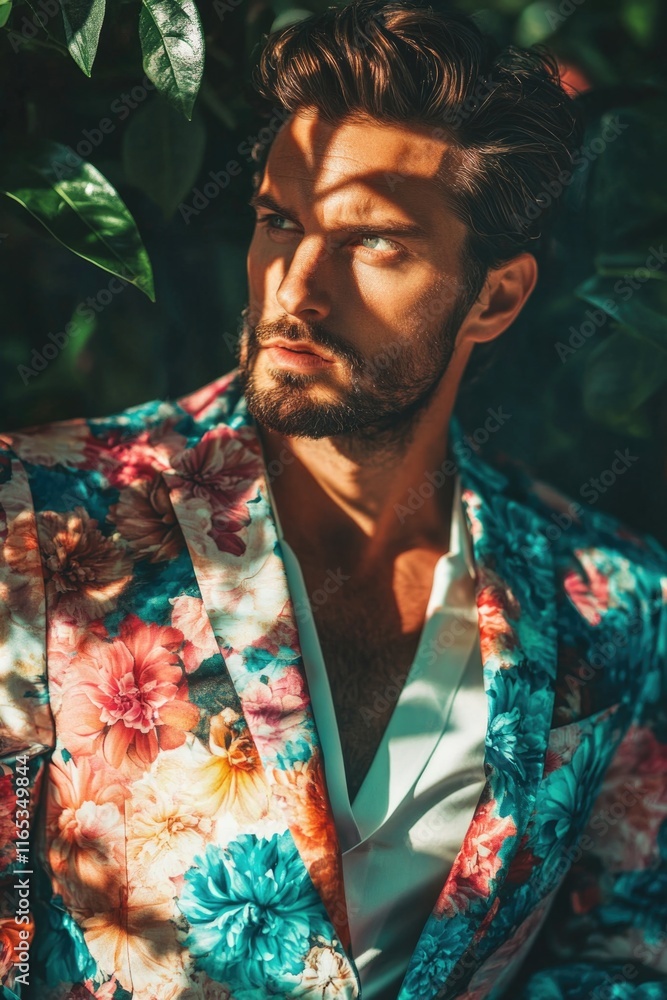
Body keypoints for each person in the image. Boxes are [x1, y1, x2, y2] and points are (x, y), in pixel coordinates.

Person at [1, 0, 666, 997]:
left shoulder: (615, 605)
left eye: (376, 244)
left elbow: (621, 954)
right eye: (279, 221)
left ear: (493, 297)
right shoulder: (39, 521)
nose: (296, 288)